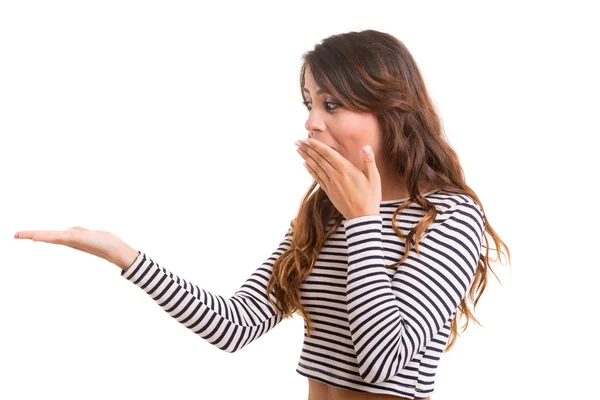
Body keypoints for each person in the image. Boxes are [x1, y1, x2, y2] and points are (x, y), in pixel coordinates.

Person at [14, 29, 511, 400]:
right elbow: (235, 326)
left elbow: (385, 362)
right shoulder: (326, 212)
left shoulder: (447, 216)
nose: (311, 122)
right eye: (309, 103)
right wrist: (123, 254)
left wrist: (364, 222)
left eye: (332, 104)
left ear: (390, 109)